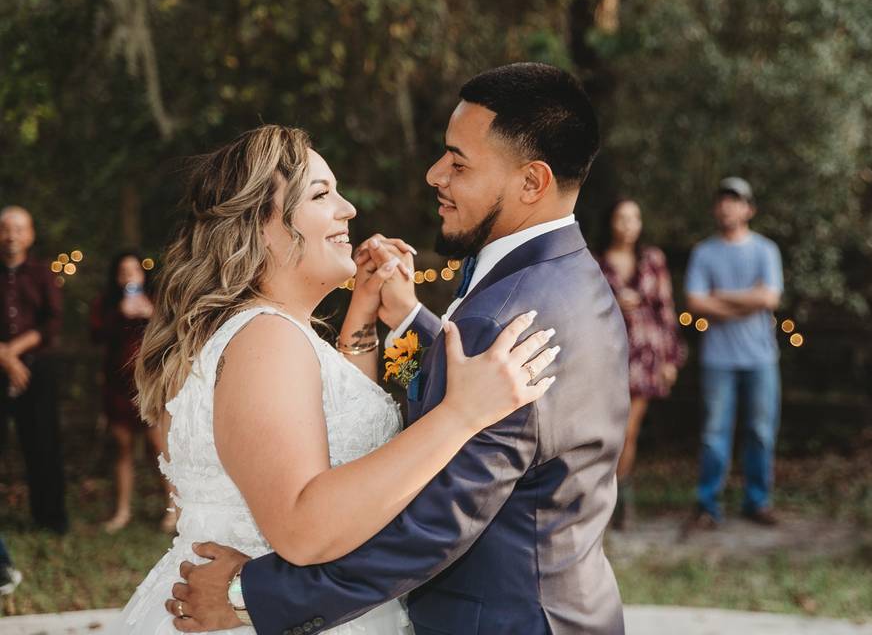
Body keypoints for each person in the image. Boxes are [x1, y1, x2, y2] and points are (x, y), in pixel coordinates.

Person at [171, 64, 629, 634]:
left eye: (459, 163)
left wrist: (251, 596)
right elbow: (436, 403)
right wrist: (405, 321)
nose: (435, 173)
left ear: (531, 183)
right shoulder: (567, 280)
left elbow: (437, 522)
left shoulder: (505, 317)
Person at [108, 124, 557, 634]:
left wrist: (363, 315)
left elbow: (334, 426)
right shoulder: (265, 340)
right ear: (259, 225)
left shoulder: (272, 331)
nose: (348, 210)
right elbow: (302, 526)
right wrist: (462, 415)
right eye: (322, 195)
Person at [682, 177, 783, 532]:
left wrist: (718, 298)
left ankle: (757, 502)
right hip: (717, 360)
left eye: (735, 200)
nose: (728, 206)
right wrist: (747, 299)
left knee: (760, 432)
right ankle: (708, 505)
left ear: (748, 209)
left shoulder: (765, 250)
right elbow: (694, 303)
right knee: (714, 434)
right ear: (715, 208)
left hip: (761, 359)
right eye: (722, 200)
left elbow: (769, 299)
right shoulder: (704, 252)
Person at [597, 198, 685, 529]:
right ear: (611, 222)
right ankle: (603, 500)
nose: (629, 224)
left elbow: (666, 308)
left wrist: (670, 358)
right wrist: (614, 302)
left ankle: (619, 500)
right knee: (607, 431)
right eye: (622, 218)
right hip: (609, 355)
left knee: (627, 430)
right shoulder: (596, 261)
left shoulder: (653, 260)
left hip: (646, 354)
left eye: (635, 218)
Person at [90, 251, 175, 533]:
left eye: (134, 270)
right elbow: (95, 335)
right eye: (123, 271)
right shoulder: (107, 304)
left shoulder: (156, 300)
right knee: (122, 448)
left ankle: (172, 510)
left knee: (158, 448)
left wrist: (150, 315)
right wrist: (118, 315)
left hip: (149, 384)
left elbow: (173, 334)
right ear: (116, 276)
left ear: (143, 274)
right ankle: (122, 511)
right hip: (117, 385)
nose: (129, 276)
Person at [0, 206, 66, 534]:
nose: (11, 235)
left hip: (36, 369)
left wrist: (12, 353)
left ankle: (50, 520)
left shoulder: (42, 273)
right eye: (5, 228)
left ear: (30, 235)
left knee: (43, 443)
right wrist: (4, 357)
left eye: (18, 229)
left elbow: (52, 321)